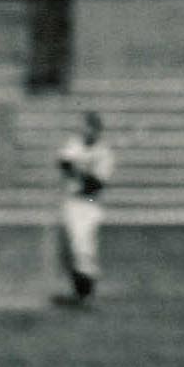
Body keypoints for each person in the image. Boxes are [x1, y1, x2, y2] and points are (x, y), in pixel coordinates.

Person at [53, 111, 116, 307]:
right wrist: (80, 171)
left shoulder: (105, 153)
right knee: (68, 250)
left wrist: (78, 170)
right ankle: (78, 292)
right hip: (71, 201)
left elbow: (95, 184)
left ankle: (86, 294)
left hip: (89, 203)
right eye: (84, 127)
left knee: (83, 247)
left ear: (97, 130)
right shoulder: (75, 143)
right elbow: (63, 162)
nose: (86, 131)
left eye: (90, 128)